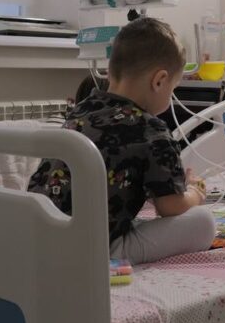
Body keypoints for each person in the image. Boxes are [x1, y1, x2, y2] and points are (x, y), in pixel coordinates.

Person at [28, 17, 215, 264]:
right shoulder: (152, 131)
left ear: (110, 69)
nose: (171, 97)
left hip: (40, 233)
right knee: (204, 223)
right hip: (93, 246)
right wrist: (194, 192)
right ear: (159, 81)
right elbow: (170, 207)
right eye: (173, 89)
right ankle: (114, 252)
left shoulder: (82, 110)